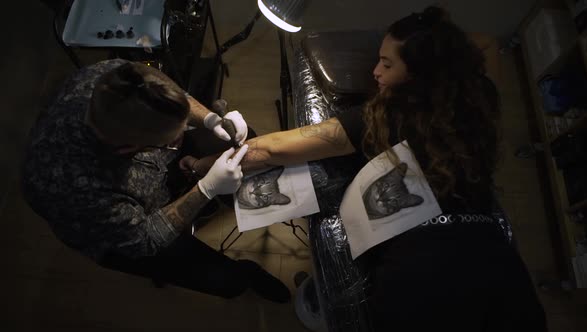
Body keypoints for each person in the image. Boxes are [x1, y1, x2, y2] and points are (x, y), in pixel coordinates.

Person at [184, 6, 547, 331]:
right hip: (491, 257)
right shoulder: (481, 96)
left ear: (420, 72)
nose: (374, 71)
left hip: (422, 268)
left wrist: (202, 166)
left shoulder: (384, 116)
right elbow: (483, 42)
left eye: (387, 64)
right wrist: (432, 48)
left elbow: (272, 150)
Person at [22, 59, 290, 303]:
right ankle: (247, 275)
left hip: (151, 176)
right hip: (126, 235)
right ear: (129, 149)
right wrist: (205, 189)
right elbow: (145, 239)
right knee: (225, 281)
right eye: (171, 141)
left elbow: (166, 90)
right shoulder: (75, 188)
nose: (180, 139)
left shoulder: (113, 79)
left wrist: (208, 119)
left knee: (241, 141)